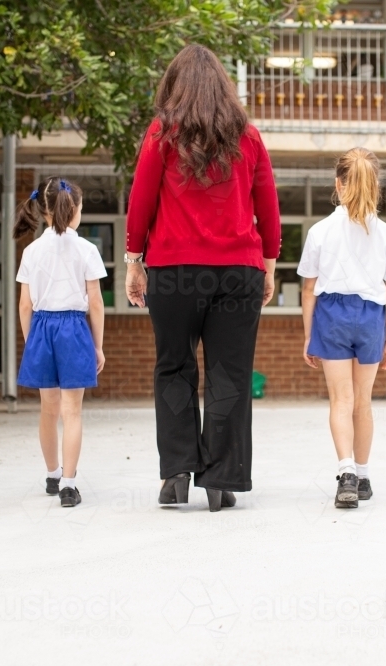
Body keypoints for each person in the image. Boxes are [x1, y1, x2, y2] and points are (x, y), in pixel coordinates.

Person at [125, 44, 281, 513]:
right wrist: (269, 265)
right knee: (228, 372)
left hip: (174, 270)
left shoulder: (162, 134)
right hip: (238, 271)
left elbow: (141, 197)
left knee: (173, 366)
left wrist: (135, 260)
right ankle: (220, 480)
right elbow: (268, 205)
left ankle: (176, 472)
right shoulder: (247, 136)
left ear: (174, 85)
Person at [297, 148, 386, 509]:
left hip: (332, 315)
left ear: (338, 184)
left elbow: (309, 289)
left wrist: (310, 335)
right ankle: (363, 475)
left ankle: (345, 473)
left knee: (341, 400)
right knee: (363, 402)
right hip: (372, 316)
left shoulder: (320, 231)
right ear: (375, 186)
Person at [14, 177, 107, 508]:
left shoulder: (31, 251)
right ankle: (69, 485)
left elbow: (25, 305)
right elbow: (95, 303)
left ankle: (52, 474)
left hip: (41, 327)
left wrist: (33, 343)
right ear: (75, 209)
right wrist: (97, 346)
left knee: (48, 409)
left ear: (43, 210)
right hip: (73, 328)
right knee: (73, 411)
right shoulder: (87, 249)